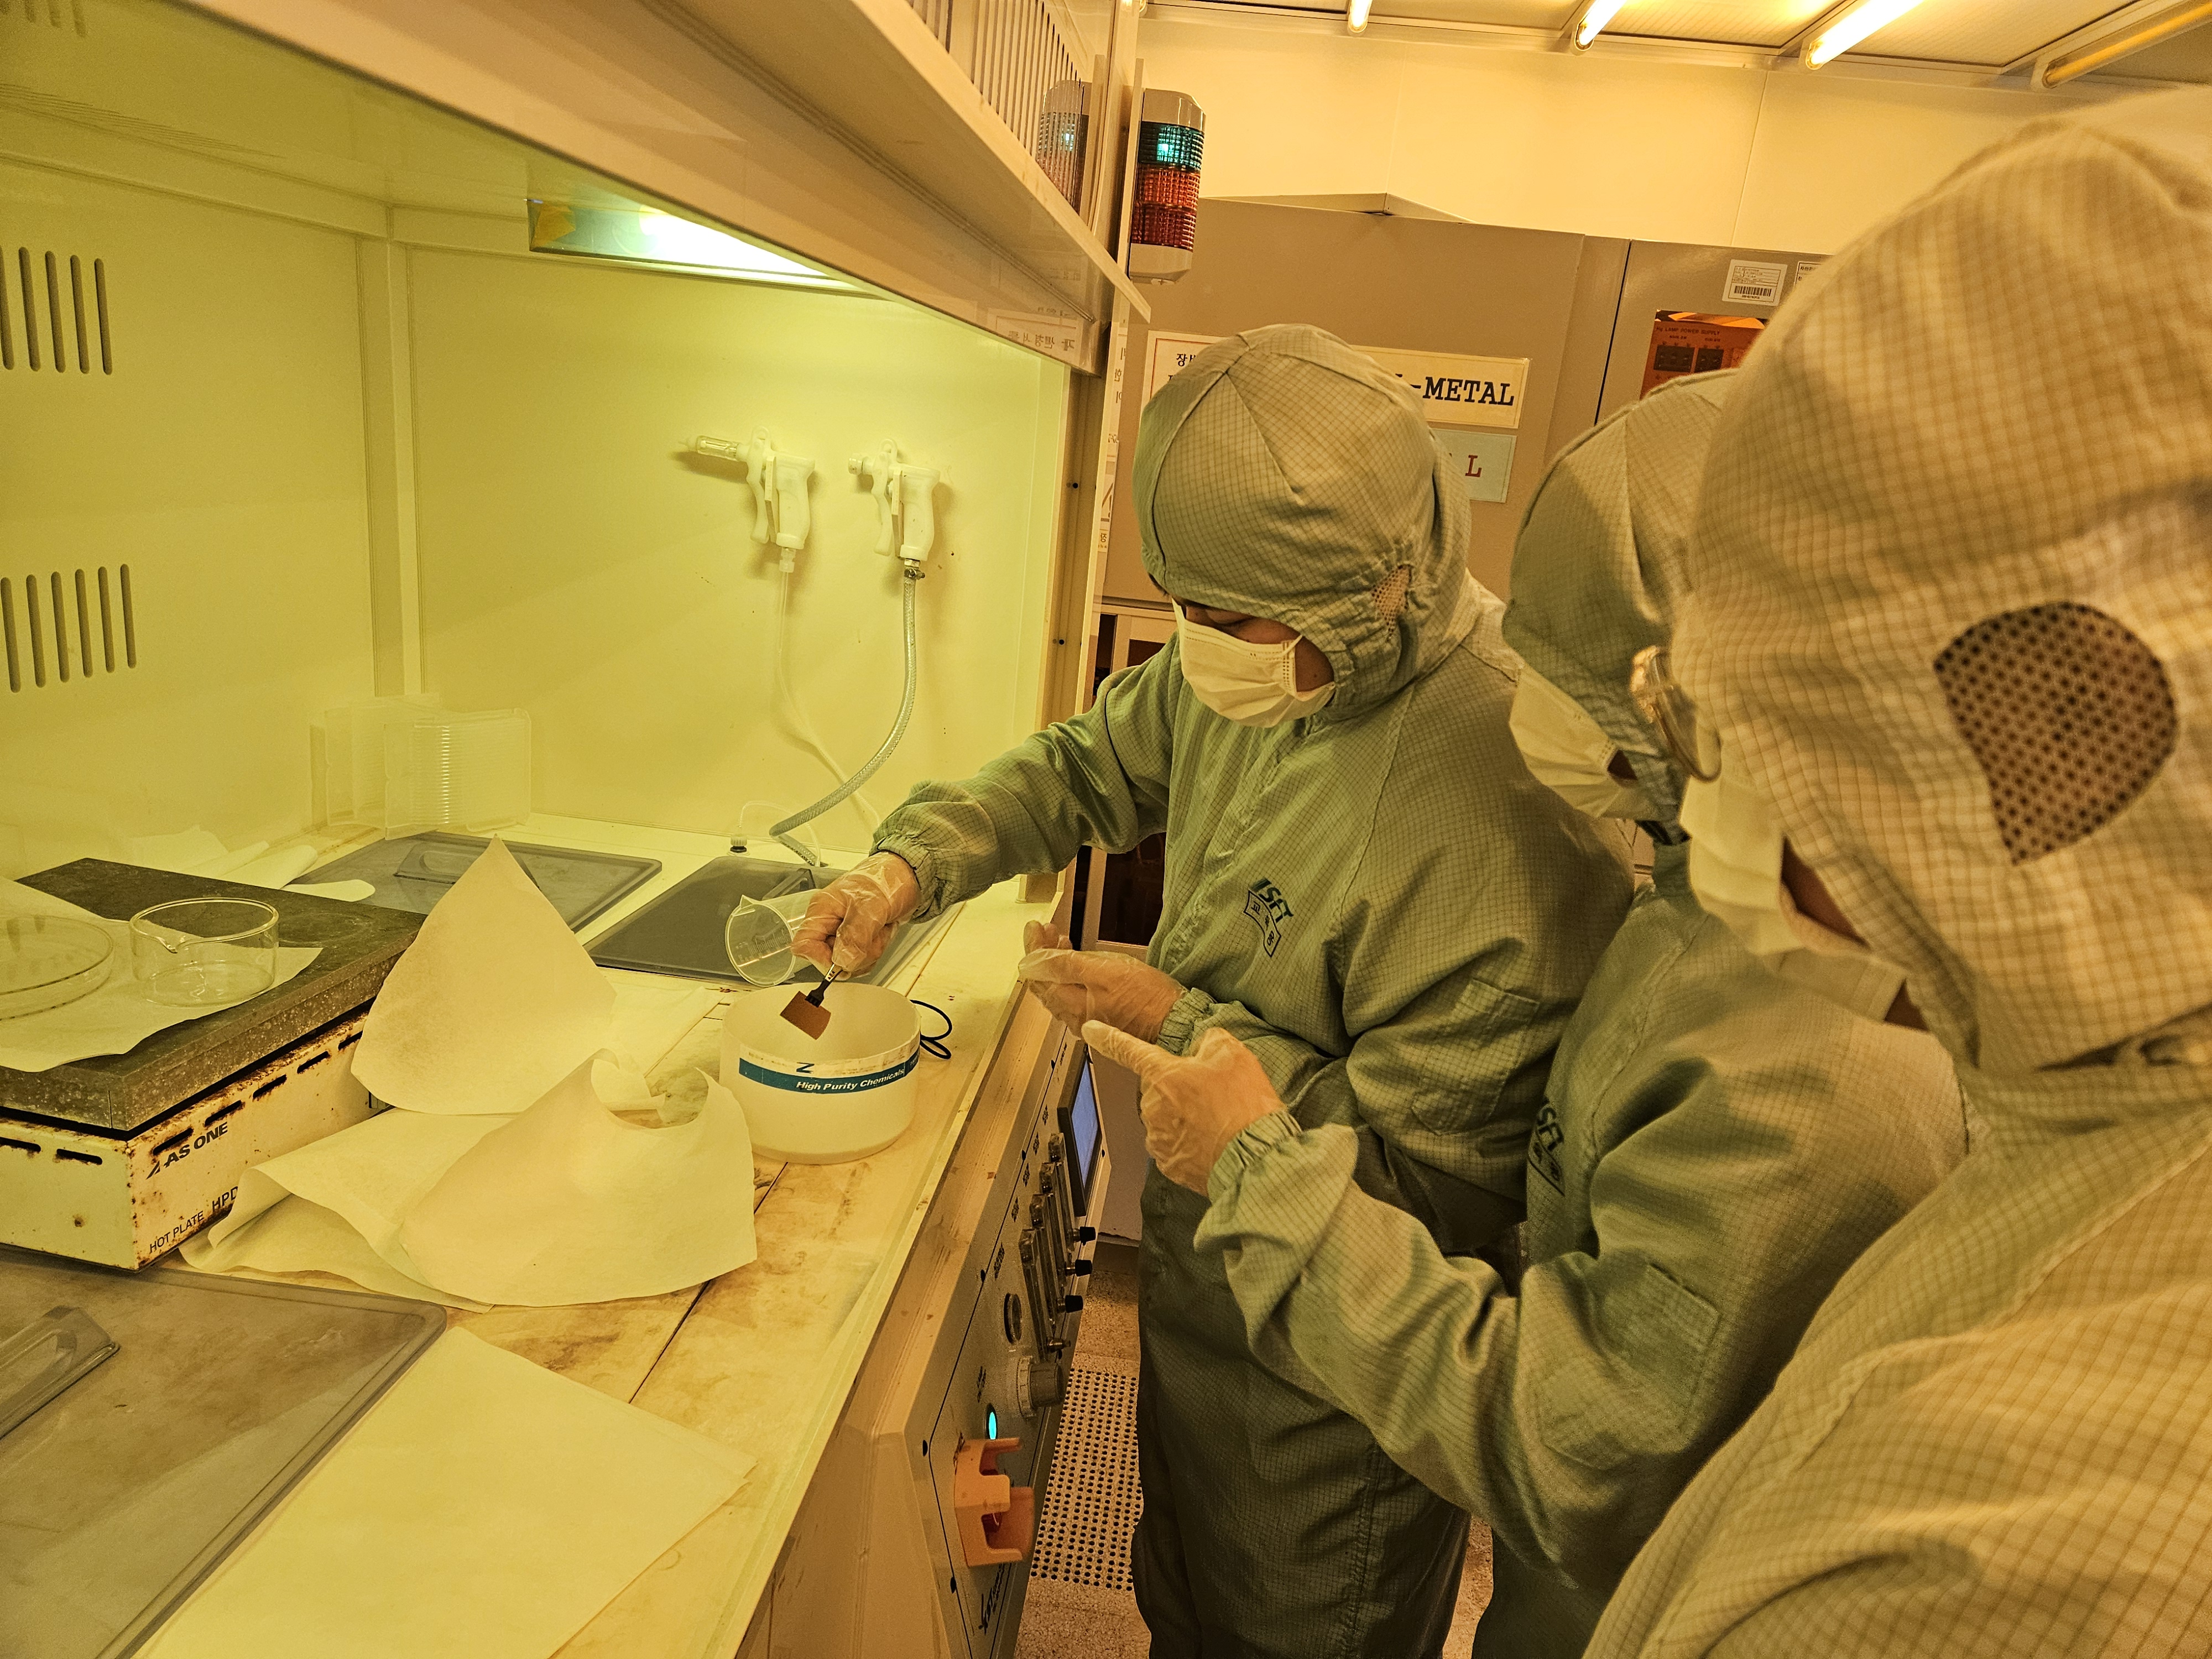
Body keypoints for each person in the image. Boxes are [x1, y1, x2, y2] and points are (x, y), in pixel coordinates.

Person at [1085, 369, 1967, 1656]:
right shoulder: (1708, 904)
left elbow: (1575, 1451)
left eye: (1564, 674)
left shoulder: (1819, 1069)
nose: (1517, 696)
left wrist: (1253, 1153)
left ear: (1707, 704)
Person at [795, 325, 1632, 1657]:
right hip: (1201, 1283)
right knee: (1180, 1595)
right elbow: (1086, 765)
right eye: (1179, 605)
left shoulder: (1504, 804)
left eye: (1228, 622)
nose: (1197, 647)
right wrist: (914, 862)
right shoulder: (1248, 657)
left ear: (1379, 590)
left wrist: (1177, 1022)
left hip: (1333, 1383)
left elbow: (1432, 1186)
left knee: (1288, 1627)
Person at [1567, 88, 2212, 1657]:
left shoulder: (1999, 1552)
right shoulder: (2086, 1119)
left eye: (1765, 745)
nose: (1742, 827)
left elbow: (1596, 1443)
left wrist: (1264, 1174)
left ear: (2051, 746)